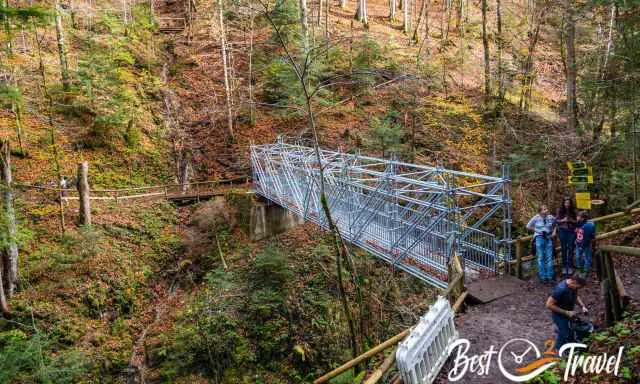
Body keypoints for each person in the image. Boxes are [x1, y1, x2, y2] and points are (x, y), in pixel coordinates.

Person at [545, 274, 588, 351]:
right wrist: (566, 312)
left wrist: (582, 306)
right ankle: (558, 350)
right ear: (574, 282)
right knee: (565, 332)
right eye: (578, 287)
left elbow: (575, 296)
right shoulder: (561, 289)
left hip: (568, 312)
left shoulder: (573, 287)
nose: (578, 289)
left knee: (569, 330)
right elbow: (548, 304)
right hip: (559, 315)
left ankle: (567, 345)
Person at [527, 204, 556, 282]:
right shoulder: (536, 218)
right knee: (540, 257)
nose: (546, 210)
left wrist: (554, 231)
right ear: (540, 211)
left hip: (548, 237)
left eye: (546, 209)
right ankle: (543, 276)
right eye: (544, 209)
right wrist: (537, 231)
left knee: (549, 257)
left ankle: (550, 276)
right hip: (539, 238)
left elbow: (556, 223)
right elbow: (528, 226)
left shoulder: (550, 217)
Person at [556, 197, 577, 278]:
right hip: (562, 231)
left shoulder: (574, 211)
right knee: (563, 248)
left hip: (571, 231)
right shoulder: (559, 210)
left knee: (571, 248)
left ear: (570, 203)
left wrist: (571, 220)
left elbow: (577, 221)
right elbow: (556, 221)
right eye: (565, 203)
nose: (567, 204)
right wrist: (563, 220)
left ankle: (570, 266)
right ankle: (564, 266)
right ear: (563, 203)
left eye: (568, 203)